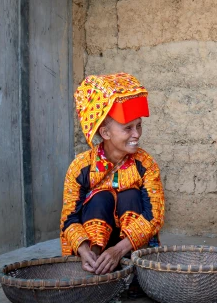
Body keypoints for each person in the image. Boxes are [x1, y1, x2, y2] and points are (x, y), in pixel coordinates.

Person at [59, 73, 165, 274]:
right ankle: (95, 263)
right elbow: (68, 220)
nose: (137, 134)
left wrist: (118, 250)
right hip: (94, 249)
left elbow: (154, 217)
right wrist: (83, 250)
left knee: (129, 195)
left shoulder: (146, 164)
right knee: (100, 198)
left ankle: (132, 268)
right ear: (105, 133)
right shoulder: (80, 167)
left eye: (139, 126)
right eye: (128, 128)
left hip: (128, 248)